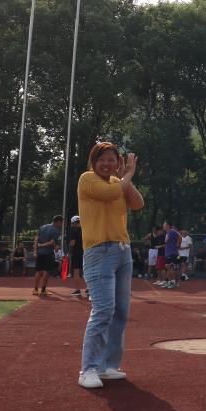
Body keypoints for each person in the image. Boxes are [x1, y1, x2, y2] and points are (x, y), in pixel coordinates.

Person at [77, 141, 144, 389]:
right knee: (104, 310)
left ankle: (107, 366)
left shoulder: (118, 182)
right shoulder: (87, 179)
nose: (107, 164)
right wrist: (128, 174)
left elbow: (138, 204)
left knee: (121, 312)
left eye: (112, 160)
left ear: (118, 163)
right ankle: (88, 369)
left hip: (122, 250)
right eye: (102, 159)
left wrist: (126, 177)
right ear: (93, 162)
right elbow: (110, 194)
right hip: (99, 250)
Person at [33, 215, 63, 296]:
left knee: (38, 271)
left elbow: (36, 239)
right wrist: (41, 245)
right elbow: (52, 242)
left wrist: (35, 251)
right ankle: (43, 290)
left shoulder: (42, 227)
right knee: (47, 271)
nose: (61, 225)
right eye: (61, 223)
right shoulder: (56, 230)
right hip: (48, 253)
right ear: (58, 222)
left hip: (39, 253)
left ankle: (35, 289)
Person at [68, 216, 87, 297]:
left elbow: (72, 243)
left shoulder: (74, 231)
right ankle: (88, 289)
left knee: (76, 271)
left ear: (73, 223)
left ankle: (77, 290)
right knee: (86, 271)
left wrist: (69, 252)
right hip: (86, 252)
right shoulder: (86, 230)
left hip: (76, 253)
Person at [161, 222, 182, 289]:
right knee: (167, 267)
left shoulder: (172, 231)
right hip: (168, 253)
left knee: (171, 267)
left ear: (168, 226)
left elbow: (180, 237)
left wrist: (178, 245)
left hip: (172, 253)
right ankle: (169, 281)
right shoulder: (167, 233)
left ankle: (173, 282)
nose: (163, 226)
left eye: (164, 225)